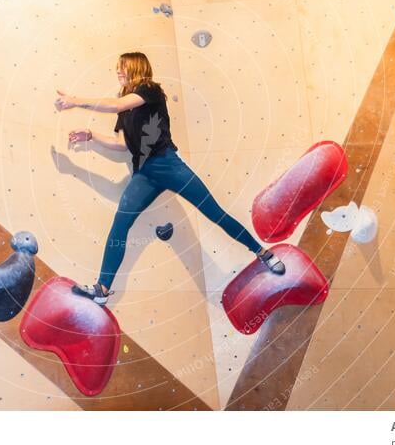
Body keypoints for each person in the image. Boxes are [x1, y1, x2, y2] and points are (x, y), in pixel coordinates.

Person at [54, 52, 284, 306]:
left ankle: (262, 252)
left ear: (136, 68)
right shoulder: (125, 107)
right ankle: (102, 289)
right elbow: (122, 144)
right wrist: (91, 136)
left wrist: (75, 101)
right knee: (120, 224)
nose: (118, 72)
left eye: (122, 68)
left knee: (214, 213)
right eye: (117, 68)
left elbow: (117, 105)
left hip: (168, 164)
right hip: (144, 173)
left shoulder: (149, 89)